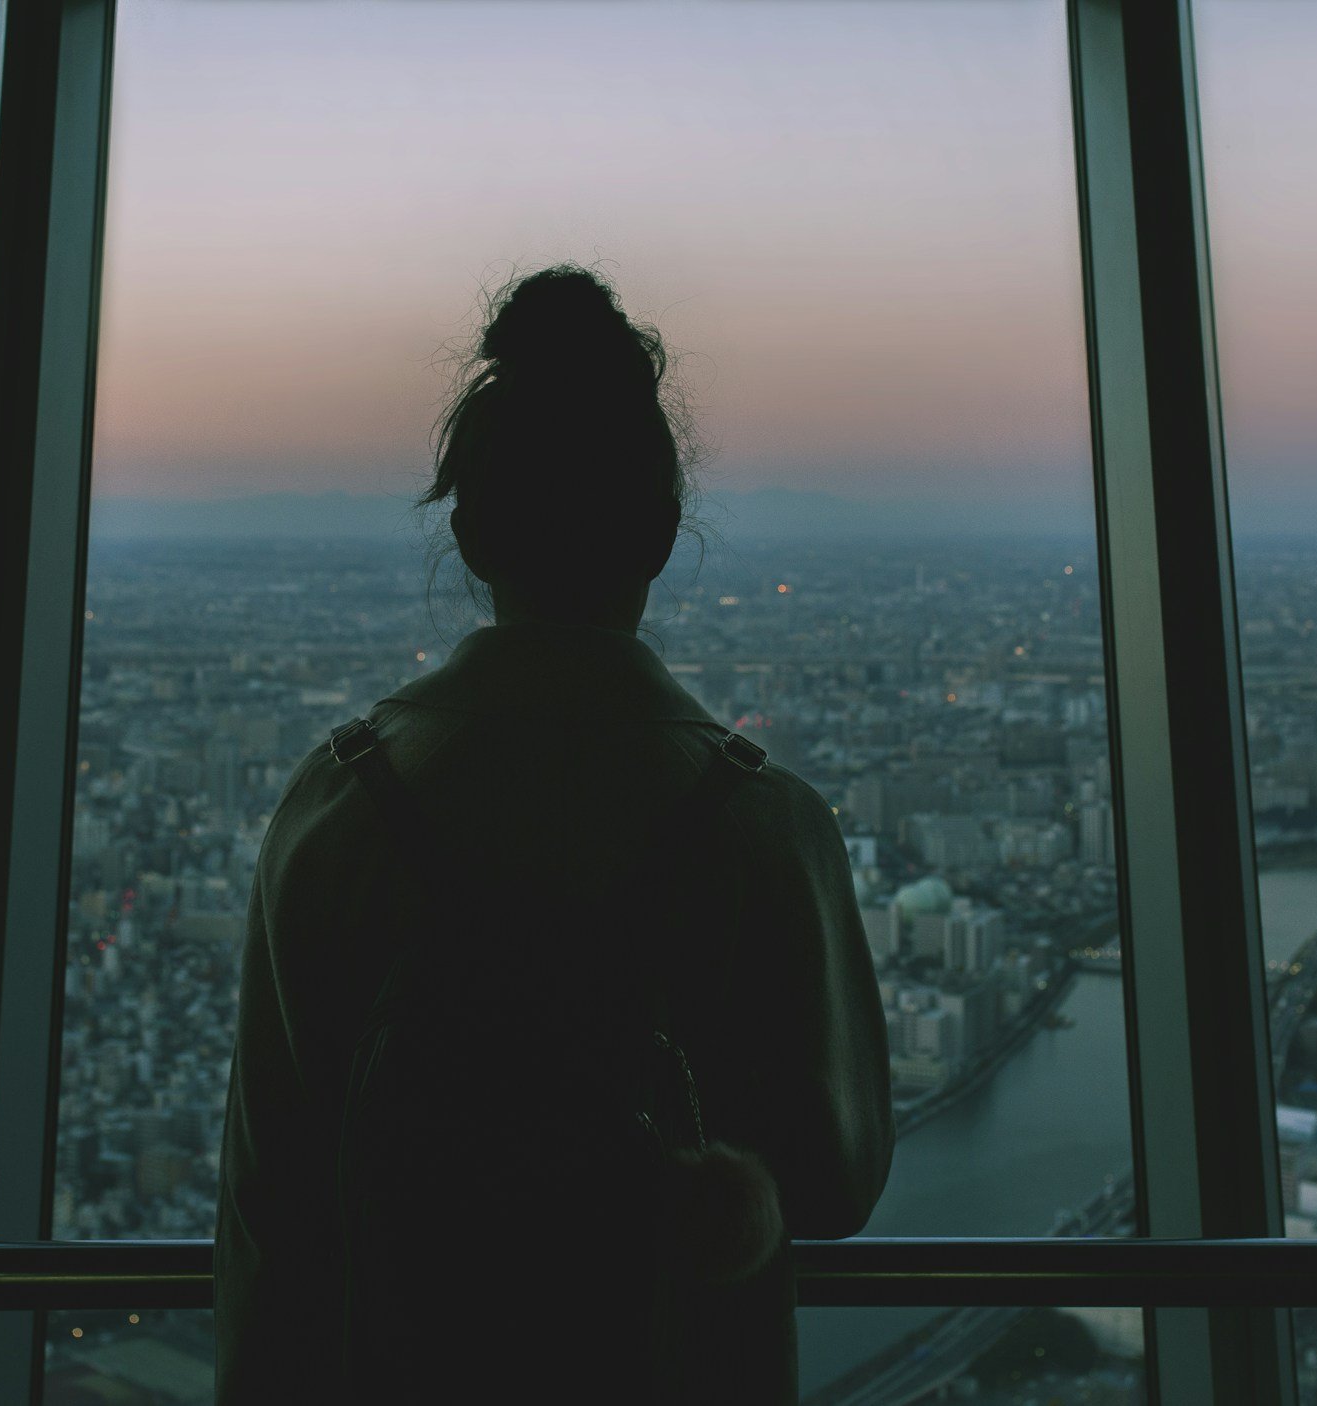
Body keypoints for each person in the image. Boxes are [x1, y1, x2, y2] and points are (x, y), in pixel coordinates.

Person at [213, 265, 892, 1403]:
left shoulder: (336, 810)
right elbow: (836, 1181)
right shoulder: (764, 829)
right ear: (664, 536)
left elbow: (271, 1205)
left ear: (472, 534)